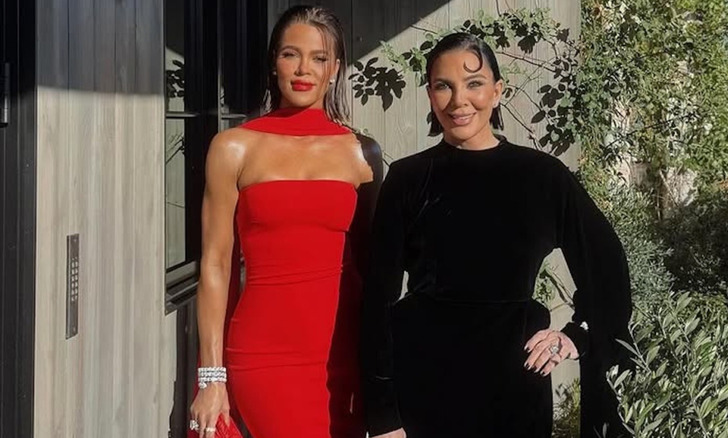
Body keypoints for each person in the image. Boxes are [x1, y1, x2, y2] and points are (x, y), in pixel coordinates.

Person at [361, 33, 632, 438]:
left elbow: (607, 267)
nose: (458, 101)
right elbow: (376, 299)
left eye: (473, 84)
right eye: (443, 86)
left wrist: (576, 335)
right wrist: (383, 416)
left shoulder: (542, 178)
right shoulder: (407, 180)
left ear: (497, 91)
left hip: (515, 394)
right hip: (423, 391)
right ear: (430, 95)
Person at [189, 5, 382, 438]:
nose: (303, 69)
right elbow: (216, 265)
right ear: (273, 61)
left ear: (335, 69)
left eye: (318, 58)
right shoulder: (233, 148)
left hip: (343, 353)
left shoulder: (363, 153)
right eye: (290, 54)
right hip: (265, 354)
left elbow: (375, 267)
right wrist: (211, 377)